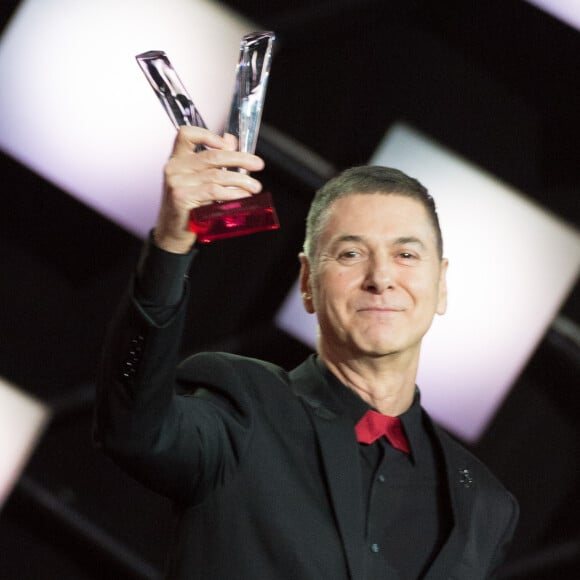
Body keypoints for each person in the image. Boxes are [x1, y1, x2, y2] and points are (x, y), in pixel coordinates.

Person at [94, 126, 519, 579]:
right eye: (351, 254)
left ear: (441, 285)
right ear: (307, 282)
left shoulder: (485, 506)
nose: (381, 277)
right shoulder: (244, 405)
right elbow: (134, 429)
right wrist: (172, 242)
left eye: (407, 256)